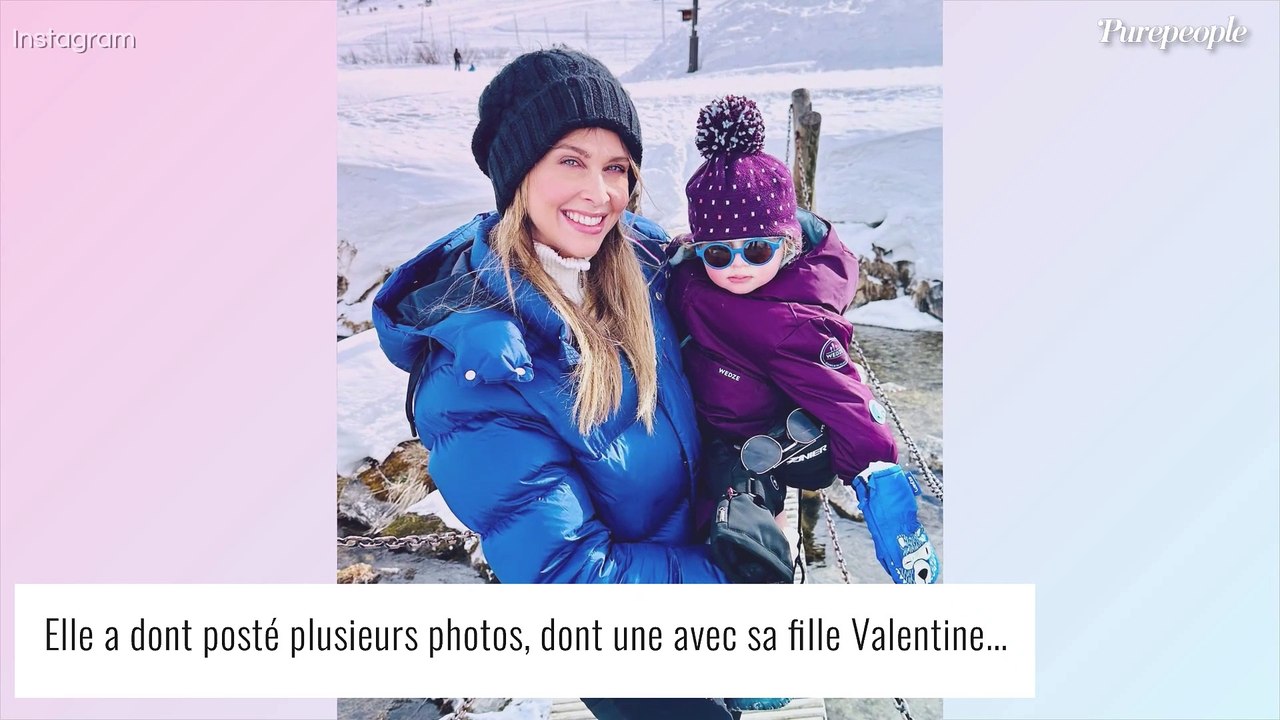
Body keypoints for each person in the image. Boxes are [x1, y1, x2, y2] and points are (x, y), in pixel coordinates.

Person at [373, 49, 727, 587]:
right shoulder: (473, 379)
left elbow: (756, 299)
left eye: (615, 168)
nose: (600, 194)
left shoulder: (644, 263)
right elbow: (567, 576)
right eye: (570, 161)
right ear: (519, 174)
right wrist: (737, 577)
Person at [669, 95, 937, 584]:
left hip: (755, 452)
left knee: (743, 545)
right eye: (718, 253)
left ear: (788, 245)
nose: (737, 267)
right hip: (705, 427)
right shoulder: (693, 277)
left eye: (756, 249)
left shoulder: (793, 322)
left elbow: (848, 405)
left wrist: (890, 507)